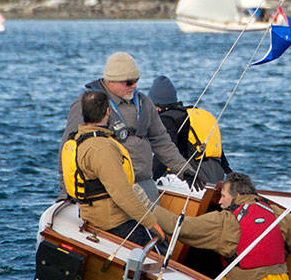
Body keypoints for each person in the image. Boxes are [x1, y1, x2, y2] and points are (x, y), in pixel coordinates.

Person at [153, 172, 291, 280]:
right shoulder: (274, 212)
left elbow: (179, 227)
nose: (221, 202)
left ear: (236, 196)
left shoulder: (226, 220)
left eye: (223, 196)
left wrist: (145, 207)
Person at [62, 52, 197, 201]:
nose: (134, 86)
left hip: (145, 185)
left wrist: (185, 171)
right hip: (109, 190)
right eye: (129, 82)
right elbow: (69, 149)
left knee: (155, 224)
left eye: (136, 81)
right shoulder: (89, 103)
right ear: (110, 81)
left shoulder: (145, 103)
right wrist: (65, 193)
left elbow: (162, 142)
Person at [61, 90, 166, 247]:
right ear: (108, 112)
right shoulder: (102, 148)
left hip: (90, 215)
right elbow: (122, 193)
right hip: (112, 223)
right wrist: (151, 222)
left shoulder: (78, 140)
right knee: (161, 244)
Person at [148, 75, 231, 185]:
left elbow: (165, 152)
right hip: (217, 175)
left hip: (193, 177)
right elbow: (220, 154)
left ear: (156, 105)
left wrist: (149, 177)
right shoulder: (198, 115)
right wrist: (230, 174)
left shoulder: (167, 119)